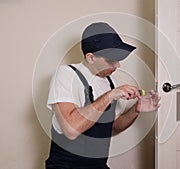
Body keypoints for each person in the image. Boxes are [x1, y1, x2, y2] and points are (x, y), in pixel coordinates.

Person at [45, 22, 161, 169]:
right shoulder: (66, 75)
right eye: (111, 60)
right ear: (91, 57)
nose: (117, 65)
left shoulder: (109, 80)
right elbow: (71, 130)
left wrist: (135, 110)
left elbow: (113, 126)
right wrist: (109, 96)